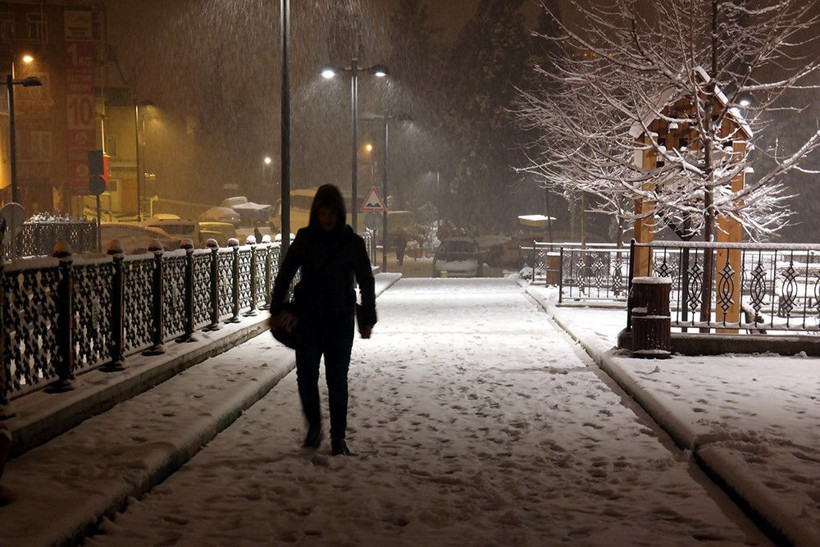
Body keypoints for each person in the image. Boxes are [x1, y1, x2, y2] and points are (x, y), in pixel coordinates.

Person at [269, 184, 376, 456]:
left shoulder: (352, 243)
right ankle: (314, 427)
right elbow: (285, 274)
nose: (327, 219)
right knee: (306, 377)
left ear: (339, 214)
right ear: (316, 213)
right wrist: (277, 309)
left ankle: (338, 438)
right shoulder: (305, 239)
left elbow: (366, 280)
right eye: (323, 213)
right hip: (309, 320)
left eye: (332, 213)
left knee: (337, 379)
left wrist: (367, 318)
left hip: (340, 320)